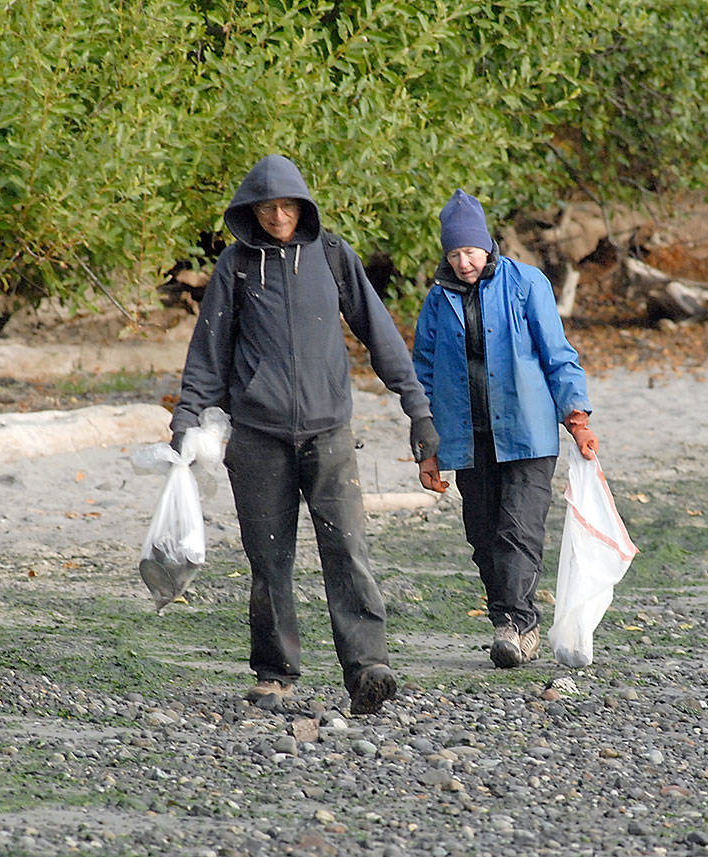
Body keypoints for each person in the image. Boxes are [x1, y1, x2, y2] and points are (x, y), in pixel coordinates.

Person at [169, 154, 440, 715]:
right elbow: (207, 353)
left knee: (348, 551)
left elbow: (380, 334)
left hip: (330, 435)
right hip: (257, 436)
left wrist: (418, 409)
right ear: (252, 211)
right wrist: (185, 420)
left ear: (303, 206)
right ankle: (275, 673)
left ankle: (368, 667)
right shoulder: (235, 267)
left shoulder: (333, 255)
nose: (278, 215)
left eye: (288, 205)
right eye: (267, 207)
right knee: (269, 561)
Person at [412, 189, 598, 668]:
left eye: (470, 251)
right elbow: (423, 376)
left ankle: (519, 626)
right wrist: (427, 449)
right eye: (453, 253)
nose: (463, 262)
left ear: (488, 245)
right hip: (467, 437)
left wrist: (576, 420)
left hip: (528, 431)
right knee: (483, 535)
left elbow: (558, 354)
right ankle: (508, 621)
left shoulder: (526, 284)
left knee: (518, 528)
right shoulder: (436, 301)